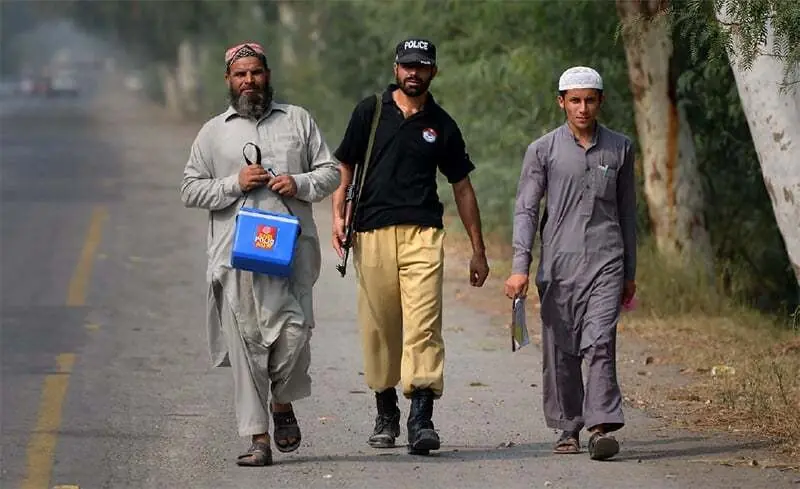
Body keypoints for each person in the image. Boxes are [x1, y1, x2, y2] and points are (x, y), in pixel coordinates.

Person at [180, 41, 340, 466]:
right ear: (229, 81)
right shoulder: (214, 132)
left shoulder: (297, 120)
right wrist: (234, 183)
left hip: (290, 255)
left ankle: (282, 402)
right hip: (236, 259)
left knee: (294, 336)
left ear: (267, 75)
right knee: (247, 345)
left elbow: (331, 172)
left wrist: (298, 183)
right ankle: (258, 439)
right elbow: (190, 188)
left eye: (255, 72)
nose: (249, 81)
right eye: (240, 74)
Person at [331, 37, 490, 455]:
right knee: (380, 327)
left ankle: (421, 418)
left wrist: (478, 248)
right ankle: (386, 413)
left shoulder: (441, 123)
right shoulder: (371, 111)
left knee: (423, 325)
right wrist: (338, 215)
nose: (413, 73)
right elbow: (345, 164)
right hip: (371, 232)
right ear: (395, 68)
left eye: (421, 66)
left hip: (423, 234)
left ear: (433, 71)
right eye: (407, 66)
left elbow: (462, 186)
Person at [503, 66, 637, 461]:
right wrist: (519, 265)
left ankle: (601, 427)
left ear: (600, 102)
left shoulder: (620, 147)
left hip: (606, 261)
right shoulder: (542, 150)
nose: (582, 108)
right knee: (561, 349)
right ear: (561, 102)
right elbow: (526, 210)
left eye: (590, 100)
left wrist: (630, 272)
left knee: (599, 341)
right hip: (558, 265)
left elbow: (628, 213)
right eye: (574, 100)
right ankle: (568, 425)